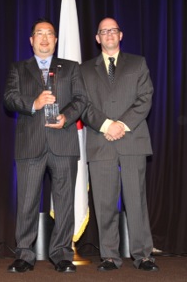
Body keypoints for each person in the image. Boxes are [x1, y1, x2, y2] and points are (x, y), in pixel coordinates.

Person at [3, 18, 87, 273]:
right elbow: (8, 99)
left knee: (64, 203)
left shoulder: (71, 68)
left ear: (56, 39)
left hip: (63, 142)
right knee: (27, 201)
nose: (44, 38)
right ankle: (25, 254)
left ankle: (62, 254)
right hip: (30, 144)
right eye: (39, 34)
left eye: (49, 34)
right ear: (31, 40)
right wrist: (33, 103)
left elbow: (81, 99)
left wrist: (66, 117)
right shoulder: (19, 68)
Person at [80, 17, 158, 272]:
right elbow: (83, 104)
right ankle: (110, 256)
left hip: (132, 139)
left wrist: (121, 125)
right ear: (97, 38)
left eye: (113, 30)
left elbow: (145, 98)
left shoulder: (138, 63)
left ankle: (143, 255)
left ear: (121, 35)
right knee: (104, 202)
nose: (109, 34)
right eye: (104, 31)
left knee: (136, 200)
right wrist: (105, 126)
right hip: (100, 140)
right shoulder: (84, 69)